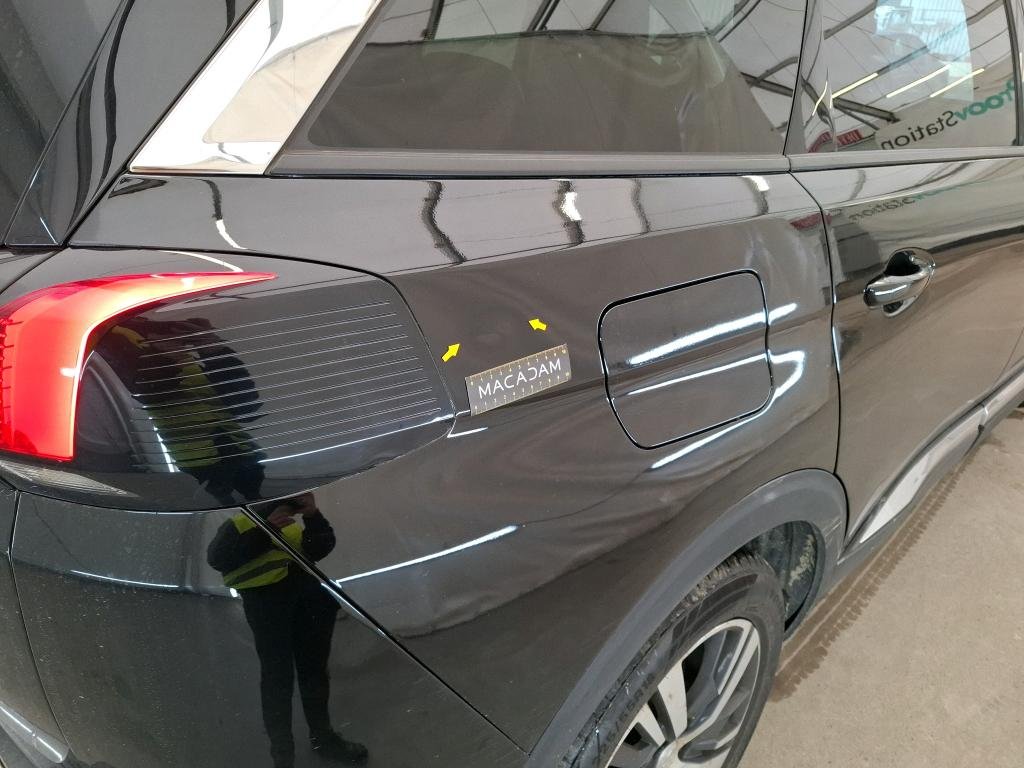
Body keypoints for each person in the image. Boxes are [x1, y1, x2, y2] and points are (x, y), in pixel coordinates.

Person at [207, 493, 368, 767]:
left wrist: (312, 515)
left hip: (308, 602)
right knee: (277, 680)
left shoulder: (291, 520)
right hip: (267, 608)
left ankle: (324, 739)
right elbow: (218, 559)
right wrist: (266, 529)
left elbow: (319, 548)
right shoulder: (238, 523)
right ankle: (283, 755)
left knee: (314, 673)